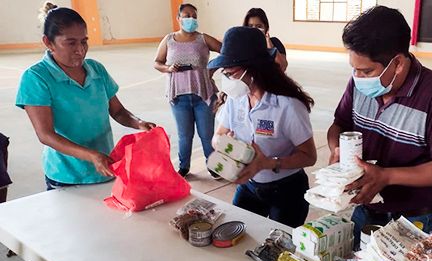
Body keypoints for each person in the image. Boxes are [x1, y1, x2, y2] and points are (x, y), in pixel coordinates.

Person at [327, 6, 432, 247]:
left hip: (413, 218)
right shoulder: (359, 85)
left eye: (366, 70)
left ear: (398, 64)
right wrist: (337, 149)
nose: (358, 77)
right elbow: (339, 125)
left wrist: (387, 176)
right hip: (366, 205)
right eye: (354, 69)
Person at [16, 3, 155, 191]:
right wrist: (92, 156)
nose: (80, 49)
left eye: (84, 41)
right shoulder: (36, 78)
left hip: (105, 167)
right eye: (71, 42)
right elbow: (46, 135)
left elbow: (118, 111)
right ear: (48, 42)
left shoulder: (96, 69)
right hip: (66, 175)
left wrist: (138, 123)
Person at [208, 27, 317, 228]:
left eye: (231, 73)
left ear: (253, 68)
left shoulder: (287, 106)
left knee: (279, 247)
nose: (227, 80)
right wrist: (227, 146)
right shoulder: (236, 99)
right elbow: (218, 136)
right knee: (238, 232)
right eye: (225, 73)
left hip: (286, 190)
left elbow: (309, 156)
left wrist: (268, 163)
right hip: (249, 187)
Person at [154, 3, 222, 178]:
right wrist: (168, 68)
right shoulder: (169, 40)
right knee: (185, 136)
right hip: (179, 96)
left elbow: (226, 51)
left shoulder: (203, 39)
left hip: (203, 95)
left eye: (194, 16)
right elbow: (157, 62)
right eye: (186, 15)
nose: (190, 19)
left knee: (207, 135)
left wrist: (211, 69)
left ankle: (213, 166)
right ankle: (184, 167)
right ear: (178, 18)